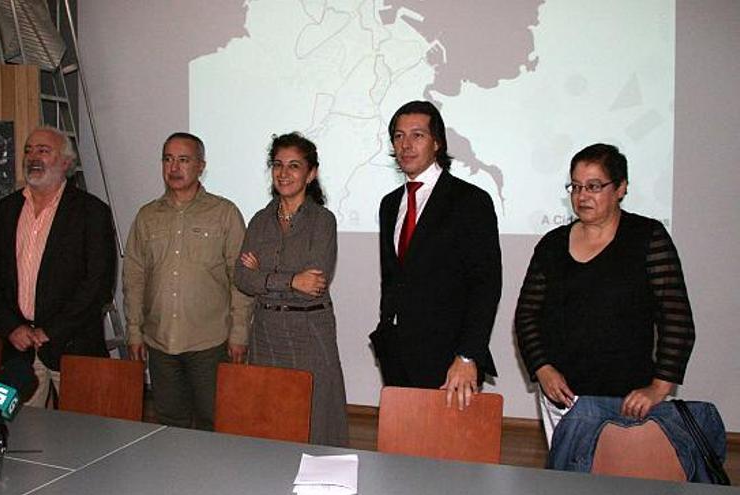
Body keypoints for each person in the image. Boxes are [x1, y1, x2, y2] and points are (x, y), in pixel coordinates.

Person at [514, 143, 696, 445]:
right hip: (563, 398)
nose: (582, 195)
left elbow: (675, 317)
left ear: (621, 188)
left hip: (629, 400)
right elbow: (527, 315)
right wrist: (542, 368)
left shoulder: (648, 237)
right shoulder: (552, 244)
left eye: (594, 186)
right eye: (575, 186)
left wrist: (658, 388)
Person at [374, 100, 502, 410]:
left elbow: (486, 285)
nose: (406, 145)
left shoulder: (470, 201)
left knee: (448, 455)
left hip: (450, 361)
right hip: (397, 355)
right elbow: (394, 279)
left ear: (437, 142)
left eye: (417, 135)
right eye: (398, 136)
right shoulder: (390, 204)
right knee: (400, 452)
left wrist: (468, 355)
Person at [0, 126, 117, 407]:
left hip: (72, 345)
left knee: (82, 435)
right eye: (29, 151)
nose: (33, 157)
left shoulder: (92, 212)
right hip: (18, 350)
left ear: (66, 163)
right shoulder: (4, 210)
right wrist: (11, 327)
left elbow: (98, 285)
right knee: (21, 439)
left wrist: (50, 330)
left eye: (44, 151)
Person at [123, 132, 251, 430]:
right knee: (168, 424)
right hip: (160, 341)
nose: (174, 167)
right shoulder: (147, 216)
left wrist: (239, 332)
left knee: (214, 422)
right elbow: (134, 276)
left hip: (210, 341)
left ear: (201, 166)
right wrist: (134, 331)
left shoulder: (224, 213)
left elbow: (240, 279)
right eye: (168, 159)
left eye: (183, 160)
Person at [234, 132, 349, 446]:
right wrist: (290, 279)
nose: (283, 173)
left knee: (317, 420)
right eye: (277, 165)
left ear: (311, 174)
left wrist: (265, 276)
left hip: (309, 330)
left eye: (294, 166)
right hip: (267, 331)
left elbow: (313, 283)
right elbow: (241, 278)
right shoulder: (259, 221)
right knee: (268, 419)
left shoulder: (323, 221)